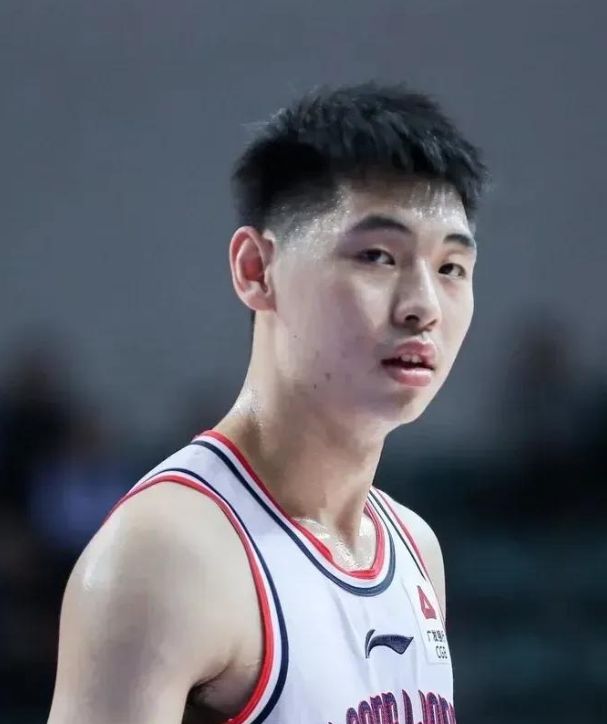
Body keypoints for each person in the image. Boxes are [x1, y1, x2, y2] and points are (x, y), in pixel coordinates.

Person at [47, 82, 488, 724]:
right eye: (378, 256)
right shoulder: (163, 557)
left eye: (451, 268)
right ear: (256, 270)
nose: (423, 305)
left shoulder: (416, 550)